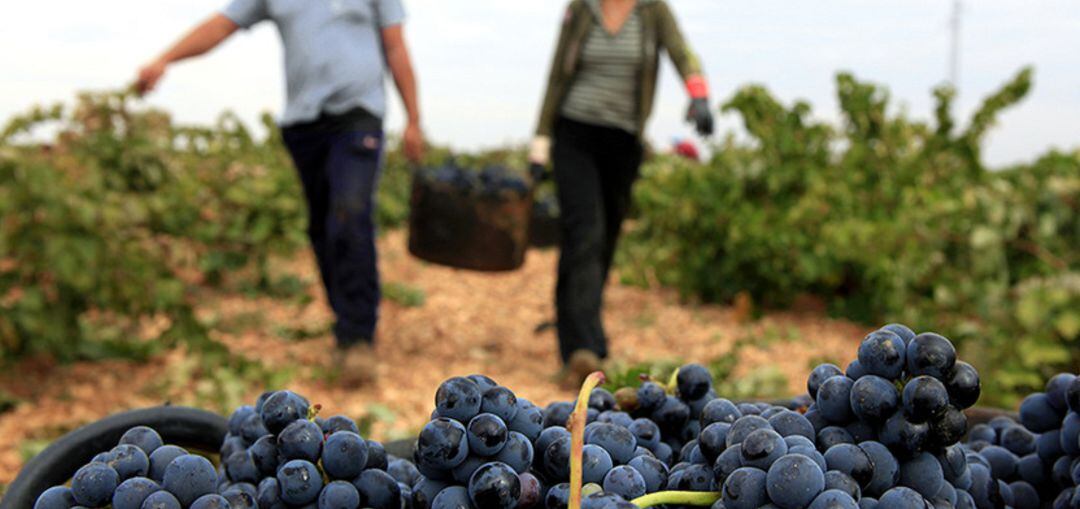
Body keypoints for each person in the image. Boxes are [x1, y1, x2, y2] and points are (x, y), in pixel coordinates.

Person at [135, 0, 424, 385]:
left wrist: (414, 119)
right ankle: (344, 322)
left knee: (349, 215)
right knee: (322, 227)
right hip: (303, 124)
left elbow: (395, 46)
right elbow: (221, 26)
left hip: (358, 117)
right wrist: (164, 60)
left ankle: (358, 339)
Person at [529, 0, 713, 385]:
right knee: (585, 231)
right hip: (574, 134)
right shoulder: (582, 9)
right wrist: (541, 138)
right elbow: (555, 75)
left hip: (623, 141)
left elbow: (682, 52)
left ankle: (583, 336)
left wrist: (698, 95)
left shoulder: (652, 10)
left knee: (605, 237)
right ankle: (582, 349)